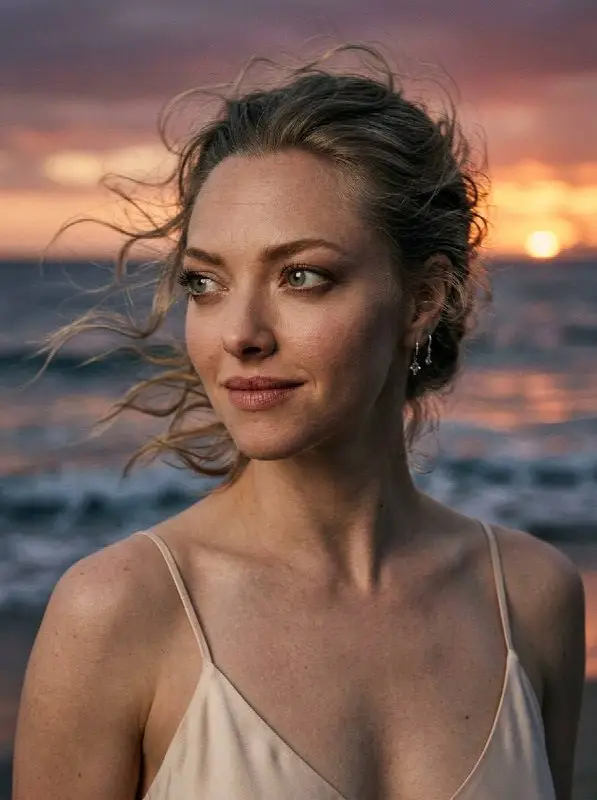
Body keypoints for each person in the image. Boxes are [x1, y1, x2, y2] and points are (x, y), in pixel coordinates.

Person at [12, 43, 585, 800]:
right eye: (206, 283)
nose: (240, 332)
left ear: (422, 300)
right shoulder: (119, 613)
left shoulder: (531, 600)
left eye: (301, 276)